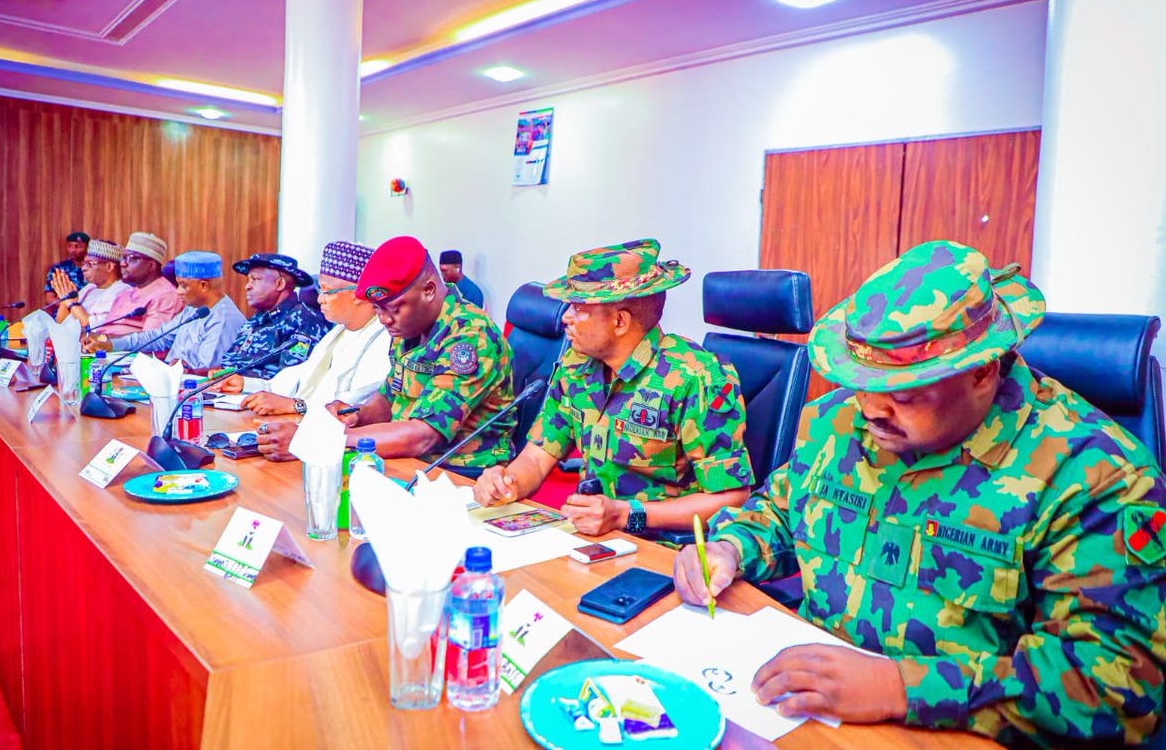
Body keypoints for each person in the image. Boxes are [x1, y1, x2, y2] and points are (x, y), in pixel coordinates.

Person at [672, 240, 1166, 747]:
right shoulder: (835, 421)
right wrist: (730, 548)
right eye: (861, 384)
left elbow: (1114, 684)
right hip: (804, 718)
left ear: (981, 370)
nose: (870, 411)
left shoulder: (1097, 476)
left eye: (903, 394)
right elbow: (780, 509)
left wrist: (899, 686)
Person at [472, 238, 753, 536]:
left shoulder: (696, 377)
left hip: (663, 549)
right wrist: (507, 481)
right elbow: (537, 456)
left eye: (579, 308)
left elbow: (732, 498)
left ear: (620, 322)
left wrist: (625, 515)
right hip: (590, 536)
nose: (565, 317)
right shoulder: (576, 365)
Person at [260, 236, 515, 474]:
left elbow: (424, 435)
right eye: (378, 310)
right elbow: (389, 397)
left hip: (461, 473)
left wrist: (316, 441)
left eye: (392, 309)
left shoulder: (469, 336)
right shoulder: (411, 326)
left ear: (428, 290)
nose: (383, 320)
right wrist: (358, 414)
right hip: (410, 461)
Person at [244, 241, 390, 453]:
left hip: (336, 446)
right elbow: (298, 378)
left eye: (327, 291)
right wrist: (245, 384)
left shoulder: (384, 337)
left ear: (359, 293)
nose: (320, 299)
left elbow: (356, 405)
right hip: (300, 431)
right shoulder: (338, 332)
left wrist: (297, 405)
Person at [86, 251, 245, 371]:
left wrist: (172, 369)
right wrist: (111, 345)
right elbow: (157, 336)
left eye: (184, 285)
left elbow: (205, 370)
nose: (178, 292)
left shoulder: (224, 318)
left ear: (204, 285)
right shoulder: (193, 309)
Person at [213, 253, 330, 378]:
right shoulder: (257, 319)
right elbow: (230, 363)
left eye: (255, 279)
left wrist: (243, 383)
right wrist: (218, 374)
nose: (247, 286)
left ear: (280, 284)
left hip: (260, 394)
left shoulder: (305, 321)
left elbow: (290, 380)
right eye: (248, 280)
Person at [102, 232, 184, 337]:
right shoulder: (124, 293)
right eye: (123, 257)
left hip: (130, 352)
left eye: (132, 258)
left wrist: (104, 340)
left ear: (152, 265)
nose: (123, 263)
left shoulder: (166, 295)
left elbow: (150, 340)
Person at [49, 238, 131, 328]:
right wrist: (65, 300)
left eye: (90, 263)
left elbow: (94, 328)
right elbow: (61, 322)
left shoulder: (122, 291)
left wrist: (71, 303)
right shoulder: (90, 288)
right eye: (84, 263)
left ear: (109, 266)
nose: (84, 268)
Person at [43, 231, 89, 304]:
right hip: (64, 310)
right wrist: (68, 306)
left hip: (89, 310)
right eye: (70, 246)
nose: (73, 250)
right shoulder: (58, 268)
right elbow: (49, 297)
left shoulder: (93, 268)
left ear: (87, 247)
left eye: (78, 247)